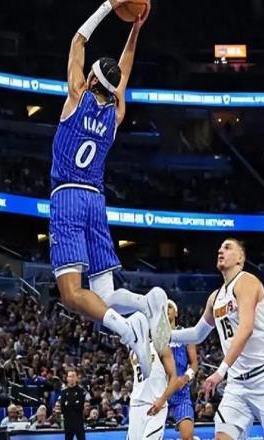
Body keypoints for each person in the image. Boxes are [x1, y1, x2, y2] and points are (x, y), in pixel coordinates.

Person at [49, 0, 169, 379]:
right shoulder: (115, 114)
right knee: (103, 296)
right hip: (96, 202)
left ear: (88, 81)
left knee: (71, 294)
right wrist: (135, 29)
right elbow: (125, 70)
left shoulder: (76, 98)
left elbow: (78, 41)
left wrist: (108, 5)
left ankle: (128, 329)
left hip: (68, 196)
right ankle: (145, 304)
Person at [170, 238, 264, 439]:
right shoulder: (215, 297)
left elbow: (246, 329)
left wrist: (220, 372)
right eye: (219, 248)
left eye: (227, 248)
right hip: (237, 385)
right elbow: (198, 334)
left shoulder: (247, 282)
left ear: (240, 258)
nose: (221, 251)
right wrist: (166, 336)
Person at [127, 340, 179, 439]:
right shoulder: (133, 351)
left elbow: (174, 378)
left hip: (156, 406)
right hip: (136, 405)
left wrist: (162, 400)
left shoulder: (161, 347)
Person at [167, 300, 198, 440]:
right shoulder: (155, 336)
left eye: (169, 307)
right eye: (163, 307)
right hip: (160, 392)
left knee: (188, 436)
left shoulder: (186, 334)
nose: (166, 310)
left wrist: (185, 378)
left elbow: (194, 364)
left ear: (176, 312)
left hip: (181, 394)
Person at [60, 370, 86, 440]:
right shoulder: (63, 392)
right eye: (70, 376)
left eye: (73, 376)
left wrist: (69, 405)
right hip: (68, 422)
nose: (71, 378)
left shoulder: (81, 391)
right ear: (67, 378)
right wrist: (74, 404)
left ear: (76, 378)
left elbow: (80, 406)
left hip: (78, 421)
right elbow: (62, 407)